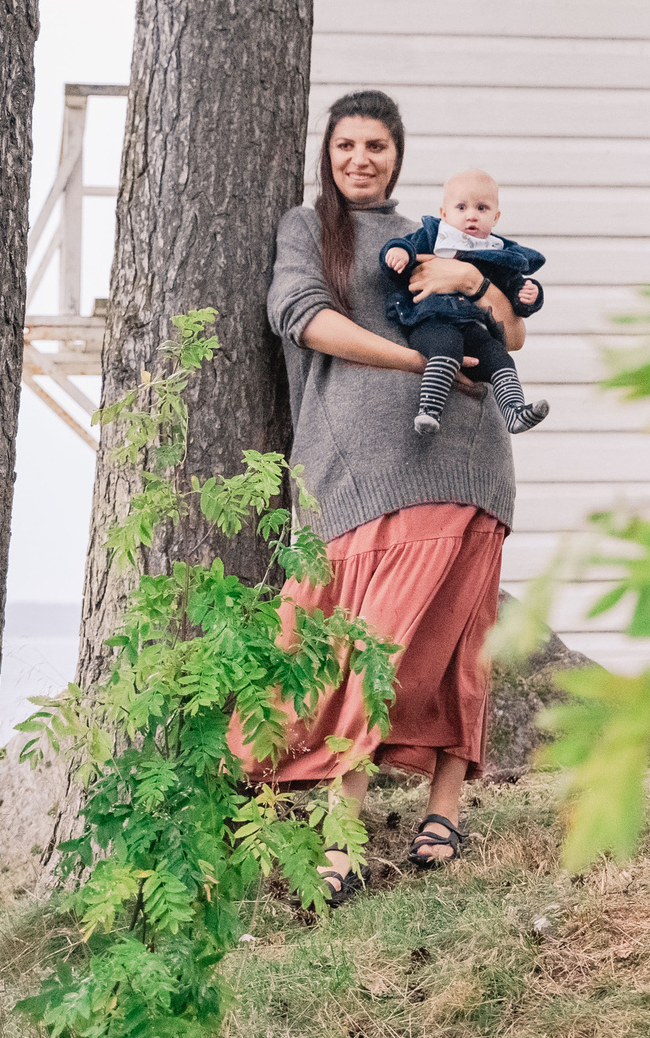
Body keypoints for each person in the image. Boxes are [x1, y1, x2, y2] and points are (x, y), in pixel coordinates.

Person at [242, 89, 524, 903]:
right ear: (327, 155)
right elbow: (302, 319)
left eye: (376, 146)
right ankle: (341, 826)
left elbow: (510, 332)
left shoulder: (430, 232)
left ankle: (441, 809)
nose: (361, 159)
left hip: (467, 457)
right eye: (346, 146)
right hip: (362, 468)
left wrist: (480, 279)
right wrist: (412, 365)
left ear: (398, 155)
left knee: (455, 638)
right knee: (369, 644)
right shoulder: (306, 229)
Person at [379, 168, 549, 437]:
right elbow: (405, 247)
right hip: (430, 319)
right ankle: (429, 411)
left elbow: (514, 287)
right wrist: (397, 253)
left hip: (473, 325)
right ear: (444, 213)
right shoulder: (433, 236)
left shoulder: (497, 253)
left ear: (496, 217)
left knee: (499, 357)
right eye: (461, 207)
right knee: (445, 347)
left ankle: (514, 412)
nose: (471, 215)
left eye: (482, 208)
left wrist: (529, 295)